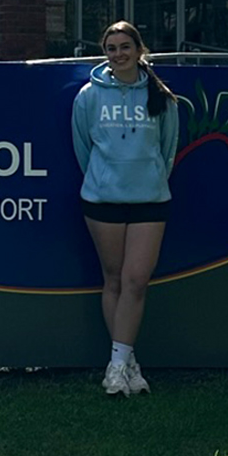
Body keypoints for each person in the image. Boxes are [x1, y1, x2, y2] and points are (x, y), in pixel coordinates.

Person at [70, 20, 181, 396]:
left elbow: (168, 148)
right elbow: (83, 148)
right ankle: (125, 362)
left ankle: (116, 367)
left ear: (139, 50)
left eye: (124, 47)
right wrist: (105, 179)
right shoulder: (88, 96)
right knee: (114, 279)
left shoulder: (160, 97)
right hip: (102, 201)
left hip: (150, 201)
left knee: (136, 281)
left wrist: (149, 178)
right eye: (111, 48)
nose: (118, 54)